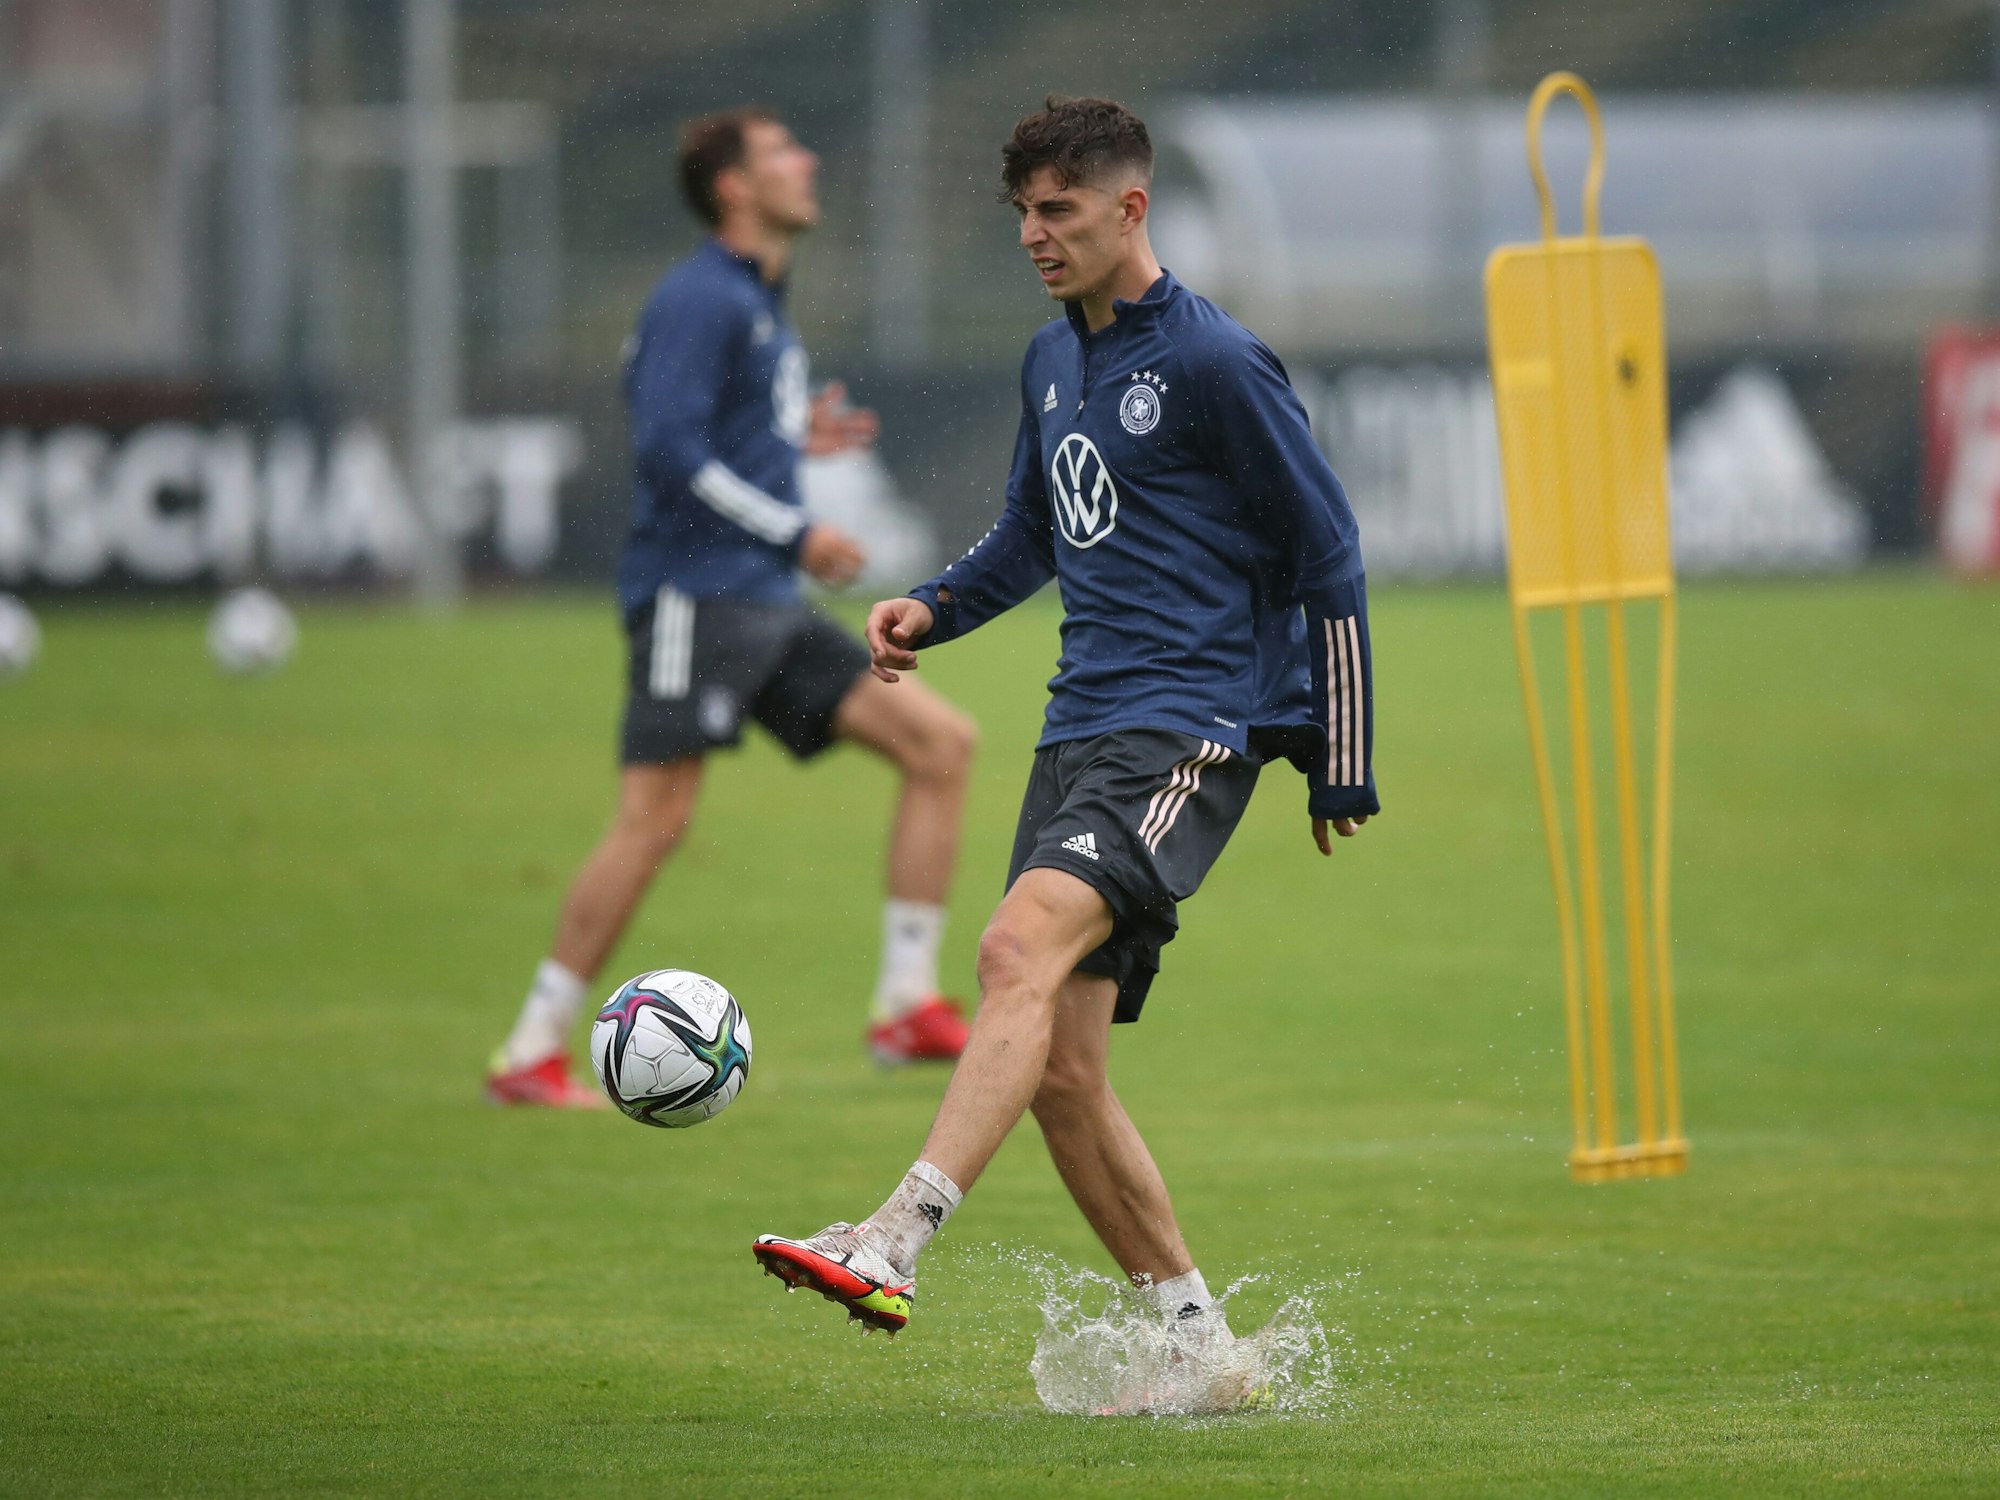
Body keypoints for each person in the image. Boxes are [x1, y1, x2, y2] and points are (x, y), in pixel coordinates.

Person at [751, 95, 1379, 1371]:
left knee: (1009, 948)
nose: (1034, 235)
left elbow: (1329, 551)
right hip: (1075, 730)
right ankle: (1204, 1350)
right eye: (1022, 214)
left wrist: (1341, 753)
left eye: (1059, 211)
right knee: (1061, 1071)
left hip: (1186, 734)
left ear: (1128, 207)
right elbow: (1035, 531)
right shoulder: (1049, 360)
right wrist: (932, 605)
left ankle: (889, 1240)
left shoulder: (1211, 361)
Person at [488, 107, 979, 1107]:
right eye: (779, 154)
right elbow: (667, 450)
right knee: (654, 821)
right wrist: (794, 531)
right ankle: (530, 1050)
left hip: (760, 602)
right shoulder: (699, 298)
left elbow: (711, 426)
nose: (805, 162)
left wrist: (788, 433)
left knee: (940, 745)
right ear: (732, 188)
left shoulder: (756, 298)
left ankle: (904, 1003)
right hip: (693, 600)